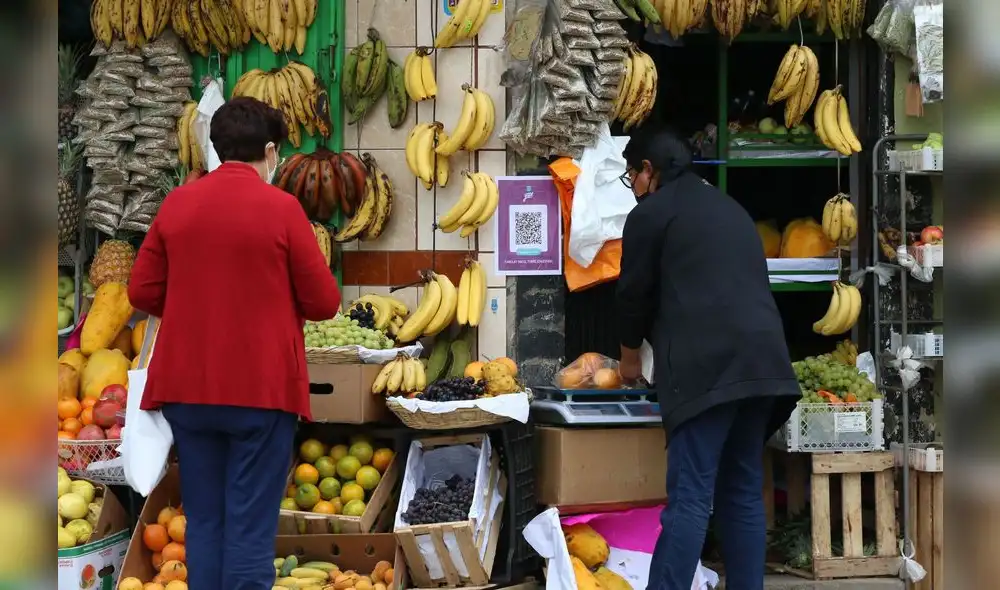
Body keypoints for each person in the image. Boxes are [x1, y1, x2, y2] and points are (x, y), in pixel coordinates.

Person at [128, 97, 342, 590]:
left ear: (218, 149)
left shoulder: (178, 203)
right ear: (270, 151)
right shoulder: (282, 209)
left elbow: (142, 292)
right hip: (260, 393)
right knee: (248, 529)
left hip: (187, 391)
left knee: (204, 522)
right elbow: (324, 301)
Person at [615, 129, 800, 590]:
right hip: (763, 366)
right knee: (740, 490)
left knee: (691, 497)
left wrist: (628, 362)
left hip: (707, 370)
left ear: (648, 172)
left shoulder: (650, 215)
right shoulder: (730, 209)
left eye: (631, 176)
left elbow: (632, 297)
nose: (632, 187)